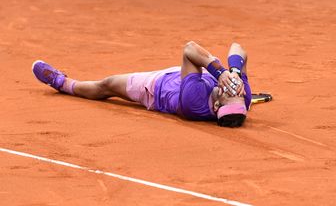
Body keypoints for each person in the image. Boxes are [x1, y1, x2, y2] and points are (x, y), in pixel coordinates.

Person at [32, 42, 252, 127]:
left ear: (215, 108)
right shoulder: (243, 94)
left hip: (156, 88)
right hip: (191, 74)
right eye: (238, 94)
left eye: (229, 94)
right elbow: (237, 47)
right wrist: (232, 71)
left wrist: (219, 71)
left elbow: (189, 50)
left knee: (107, 85)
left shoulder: (193, 102)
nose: (233, 89)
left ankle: (64, 83)